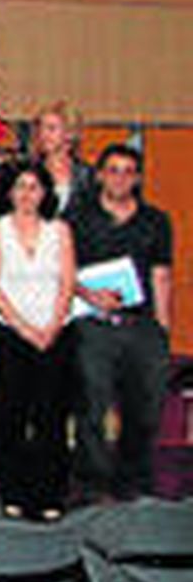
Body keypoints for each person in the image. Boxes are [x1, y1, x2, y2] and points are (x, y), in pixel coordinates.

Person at [69, 144, 174, 502]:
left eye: (128, 171)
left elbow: (161, 275)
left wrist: (162, 329)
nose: (120, 177)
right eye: (112, 170)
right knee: (92, 405)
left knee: (145, 405)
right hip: (92, 324)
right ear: (99, 175)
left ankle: (133, 482)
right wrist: (87, 294)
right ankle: (93, 484)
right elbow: (63, 270)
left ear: (139, 178)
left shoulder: (156, 221)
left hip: (141, 325)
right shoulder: (78, 217)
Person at [0, 162, 76, 520]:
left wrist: (52, 326)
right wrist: (23, 328)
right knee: (9, 416)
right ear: (9, 192)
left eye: (34, 187)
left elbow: (68, 281)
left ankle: (50, 494)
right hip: (9, 333)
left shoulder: (59, 230)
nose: (26, 194)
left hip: (55, 333)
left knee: (51, 416)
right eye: (20, 187)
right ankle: (13, 492)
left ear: (45, 193)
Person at [31, 102, 94, 215]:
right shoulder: (29, 169)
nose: (43, 135)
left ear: (70, 133)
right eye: (41, 128)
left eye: (51, 129)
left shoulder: (87, 174)